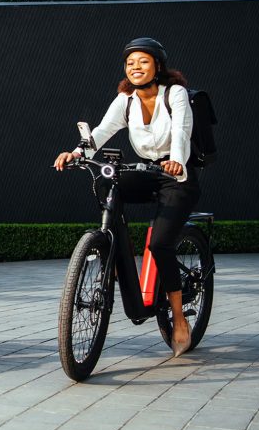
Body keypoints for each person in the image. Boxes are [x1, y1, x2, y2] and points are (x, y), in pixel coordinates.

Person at [53, 37, 201, 358]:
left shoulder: (173, 94)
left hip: (177, 175)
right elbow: (102, 131)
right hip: (147, 172)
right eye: (130, 62)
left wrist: (176, 157)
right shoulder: (126, 100)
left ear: (158, 66)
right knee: (109, 182)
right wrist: (77, 152)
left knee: (160, 244)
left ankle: (177, 318)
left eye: (143, 61)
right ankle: (111, 247)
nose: (135, 67)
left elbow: (181, 132)